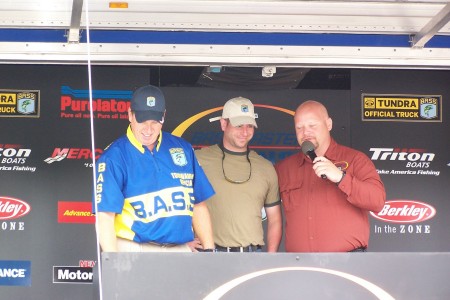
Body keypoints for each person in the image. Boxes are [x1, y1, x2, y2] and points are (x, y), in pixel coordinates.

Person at [93, 85, 215, 252]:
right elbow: (105, 216)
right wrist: (113, 262)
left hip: (178, 250)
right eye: (142, 120)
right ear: (130, 115)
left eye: (154, 121)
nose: (148, 129)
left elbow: (198, 204)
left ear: (163, 116)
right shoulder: (114, 157)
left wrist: (210, 252)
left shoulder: (183, 149)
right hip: (135, 248)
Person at [275, 100, 385, 252]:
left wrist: (341, 178)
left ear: (329, 124)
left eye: (312, 126)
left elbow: (377, 201)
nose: (306, 132)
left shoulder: (355, 160)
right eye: (299, 127)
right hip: (300, 267)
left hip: (347, 265)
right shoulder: (284, 168)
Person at [194, 97, 282, 252]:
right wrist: (184, 243)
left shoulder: (266, 167)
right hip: (209, 255)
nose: (245, 132)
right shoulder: (198, 159)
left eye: (250, 126)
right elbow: (176, 204)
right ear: (223, 124)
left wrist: (271, 257)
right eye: (239, 125)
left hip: (251, 255)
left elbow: (274, 219)